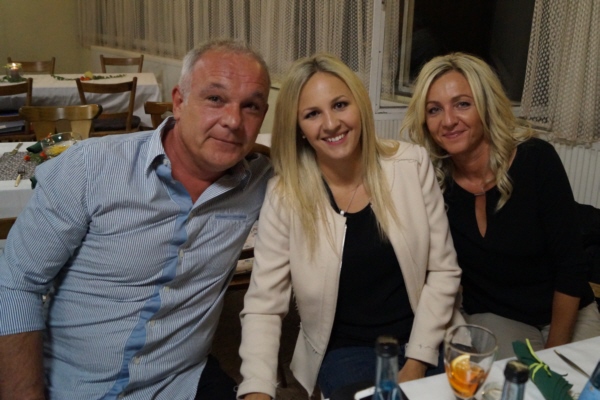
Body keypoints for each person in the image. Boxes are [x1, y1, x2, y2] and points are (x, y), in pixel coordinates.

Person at [0, 39, 272, 400]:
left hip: (178, 383)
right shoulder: (90, 168)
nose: (233, 121)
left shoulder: (263, 182)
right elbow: (17, 283)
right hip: (71, 386)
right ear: (179, 102)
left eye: (250, 106)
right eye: (215, 98)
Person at [237, 53, 463, 400]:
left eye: (340, 105)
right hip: (348, 352)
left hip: (429, 337)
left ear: (360, 105)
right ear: (298, 128)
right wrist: (256, 390)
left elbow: (444, 271)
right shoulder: (284, 196)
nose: (331, 124)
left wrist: (416, 361)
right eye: (312, 114)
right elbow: (264, 306)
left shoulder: (410, 164)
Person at [404, 52, 600, 359]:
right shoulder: (433, 182)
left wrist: (553, 353)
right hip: (498, 318)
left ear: (486, 106)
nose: (448, 120)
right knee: (506, 383)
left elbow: (571, 266)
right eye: (434, 110)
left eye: (462, 104)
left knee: (573, 383)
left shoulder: (536, 159)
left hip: (567, 313)